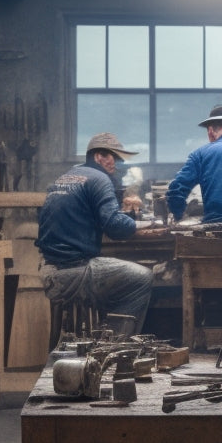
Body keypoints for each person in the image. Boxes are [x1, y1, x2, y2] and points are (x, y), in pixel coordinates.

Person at [36, 132, 154, 337]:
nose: (116, 164)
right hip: (72, 272)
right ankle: (115, 348)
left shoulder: (66, 176)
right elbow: (115, 227)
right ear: (99, 157)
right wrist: (138, 223)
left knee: (117, 276)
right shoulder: (100, 179)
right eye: (113, 158)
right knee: (142, 278)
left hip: (49, 268)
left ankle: (100, 339)